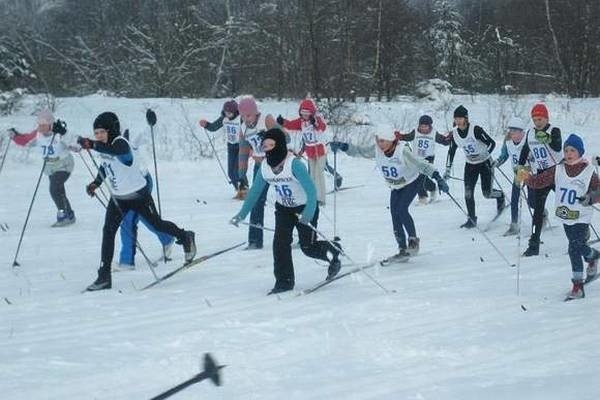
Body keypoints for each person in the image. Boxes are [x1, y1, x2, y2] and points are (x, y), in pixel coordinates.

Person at [77, 112, 196, 291]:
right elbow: (105, 165)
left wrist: (93, 145)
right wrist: (96, 183)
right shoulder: (103, 147)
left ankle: (185, 236)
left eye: (102, 132)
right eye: (96, 133)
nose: (99, 136)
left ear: (111, 130)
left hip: (138, 195)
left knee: (157, 224)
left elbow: (119, 153)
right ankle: (104, 277)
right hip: (118, 198)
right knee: (108, 232)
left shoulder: (120, 143)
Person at [230, 127, 341, 294]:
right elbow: (255, 191)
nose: (267, 149)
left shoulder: (294, 164)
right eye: (265, 146)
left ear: (280, 145)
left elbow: (311, 191)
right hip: (283, 209)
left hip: (305, 207)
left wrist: (308, 214)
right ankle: (284, 282)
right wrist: (241, 214)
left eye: (271, 145)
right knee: (280, 244)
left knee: (308, 247)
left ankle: (333, 250)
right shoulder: (265, 167)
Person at [330, 130, 449, 261]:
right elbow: (360, 151)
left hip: (412, 181)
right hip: (396, 186)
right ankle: (402, 249)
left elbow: (421, 164)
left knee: (402, 209)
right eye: (378, 140)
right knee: (394, 214)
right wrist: (344, 146)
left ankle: (413, 241)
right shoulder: (377, 150)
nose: (380, 144)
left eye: (382, 141)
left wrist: (438, 178)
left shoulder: (402, 151)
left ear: (391, 140)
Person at [520, 134, 599, 300]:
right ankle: (592, 256)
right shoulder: (558, 168)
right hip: (565, 216)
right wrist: (525, 177)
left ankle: (578, 287)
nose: (569, 154)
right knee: (578, 245)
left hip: (581, 217)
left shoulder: (589, 171)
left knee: (573, 248)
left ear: (580, 152)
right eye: (566, 150)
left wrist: (590, 198)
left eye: (573, 150)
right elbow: (539, 181)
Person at [115, 125, 175, 271]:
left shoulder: (128, 144)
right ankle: (167, 238)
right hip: (128, 188)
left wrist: (151, 123)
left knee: (128, 221)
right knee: (145, 218)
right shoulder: (107, 149)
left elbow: (145, 133)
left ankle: (126, 262)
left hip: (142, 184)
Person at [9, 109, 77, 227]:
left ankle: (63, 215)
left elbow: (76, 146)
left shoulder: (59, 134)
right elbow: (25, 140)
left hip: (64, 164)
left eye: (44, 125)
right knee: (59, 191)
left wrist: (66, 135)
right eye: (39, 125)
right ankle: (69, 214)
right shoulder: (37, 134)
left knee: (54, 188)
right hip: (50, 167)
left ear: (51, 124)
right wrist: (15, 136)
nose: (41, 127)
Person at [445, 105, 505, 228]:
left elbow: (492, 143)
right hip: (470, 165)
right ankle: (471, 219)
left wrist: (486, 153)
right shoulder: (455, 133)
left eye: (460, 118)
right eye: (456, 118)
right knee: (468, 192)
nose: (458, 121)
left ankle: (500, 196)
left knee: (487, 193)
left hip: (485, 163)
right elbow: (451, 151)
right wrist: (448, 168)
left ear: (466, 118)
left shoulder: (476, 130)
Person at [517, 103, 563, 256]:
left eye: (540, 119)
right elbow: (524, 152)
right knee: (537, 211)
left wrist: (547, 138)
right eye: (535, 119)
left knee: (568, 202)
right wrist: (520, 169)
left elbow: (557, 147)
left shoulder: (553, 130)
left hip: (557, 172)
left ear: (546, 118)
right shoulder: (530, 133)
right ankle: (534, 244)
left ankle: (583, 230)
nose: (538, 122)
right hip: (541, 174)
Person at [237, 95, 276, 250]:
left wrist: (268, 138)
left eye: (248, 115)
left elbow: (284, 138)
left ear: (255, 112)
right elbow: (243, 151)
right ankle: (255, 240)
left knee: (288, 201)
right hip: (260, 168)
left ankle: (303, 234)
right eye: (243, 116)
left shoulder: (266, 120)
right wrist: (241, 174)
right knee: (255, 201)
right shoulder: (243, 128)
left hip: (277, 165)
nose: (246, 119)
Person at [277, 98, 328, 205]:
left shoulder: (317, 119)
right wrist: (283, 122)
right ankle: (314, 196)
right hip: (310, 152)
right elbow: (291, 125)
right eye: (303, 113)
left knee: (319, 174)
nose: (305, 115)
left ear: (311, 113)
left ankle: (321, 198)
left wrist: (316, 123)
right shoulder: (301, 122)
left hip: (319, 151)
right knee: (312, 175)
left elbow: (322, 127)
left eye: (307, 113)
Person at [493, 117, 536, 236]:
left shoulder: (528, 140)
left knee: (532, 202)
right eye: (511, 131)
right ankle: (514, 225)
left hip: (530, 172)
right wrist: (498, 162)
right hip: (519, 172)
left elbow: (535, 155)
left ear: (522, 132)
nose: (513, 134)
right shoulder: (508, 142)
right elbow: (504, 155)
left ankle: (542, 214)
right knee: (514, 198)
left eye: (516, 131)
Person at [396, 114, 450, 204]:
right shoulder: (415, 132)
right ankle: (432, 188)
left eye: (426, 126)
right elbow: (407, 137)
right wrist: (400, 136)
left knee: (419, 177)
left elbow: (443, 141)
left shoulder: (434, 133)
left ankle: (423, 196)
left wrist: (448, 139)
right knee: (419, 177)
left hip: (428, 158)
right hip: (416, 158)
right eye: (422, 126)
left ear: (430, 126)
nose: (423, 128)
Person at [199, 100, 245, 199]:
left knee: (238, 170)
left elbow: (249, 129)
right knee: (230, 172)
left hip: (241, 146)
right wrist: (206, 124)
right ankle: (238, 190)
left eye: (230, 113)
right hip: (231, 146)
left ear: (235, 111)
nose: (227, 114)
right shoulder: (224, 119)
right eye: (225, 112)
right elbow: (213, 127)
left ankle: (244, 189)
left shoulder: (241, 119)